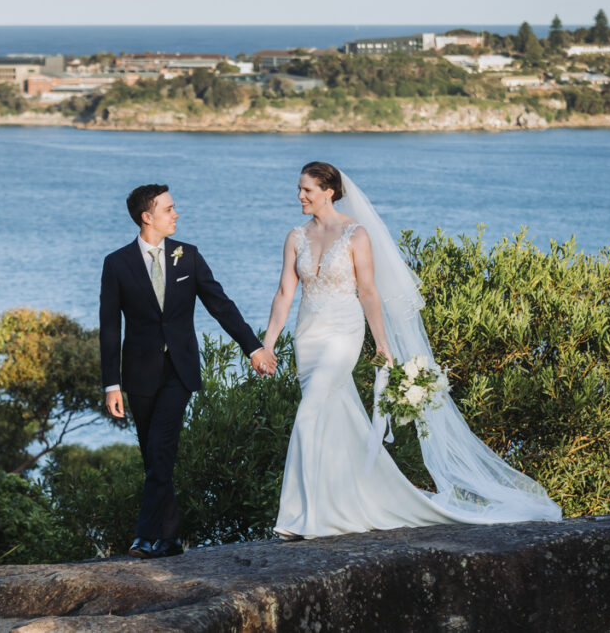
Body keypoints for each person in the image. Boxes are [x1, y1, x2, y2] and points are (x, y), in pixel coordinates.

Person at [262, 162, 561, 539]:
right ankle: (339, 505)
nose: (300, 196)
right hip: (308, 337)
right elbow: (285, 293)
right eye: (300, 189)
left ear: (329, 191)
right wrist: (268, 345)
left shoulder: (356, 234)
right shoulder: (295, 237)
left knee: (309, 414)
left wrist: (382, 343)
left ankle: (297, 516)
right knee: (335, 418)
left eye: (307, 189)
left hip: (343, 332)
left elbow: (369, 292)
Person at [99, 184, 277, 559]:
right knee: (153, 456)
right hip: (139, 373)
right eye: (168, 209)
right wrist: (111, 384)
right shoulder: (116, 264)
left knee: (161, 446)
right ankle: (171, 539)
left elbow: (221, 306)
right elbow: (110, 327)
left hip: (179, 370)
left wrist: (254, 347)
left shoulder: (189, 257)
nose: (175, 214)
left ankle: (145, 536)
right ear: (147, 217)